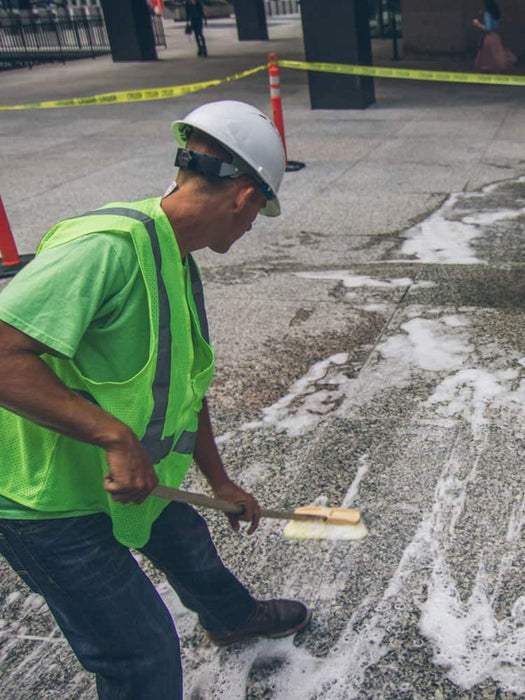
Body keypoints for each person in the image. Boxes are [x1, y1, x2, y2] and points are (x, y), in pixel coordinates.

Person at [0, 100, 310, 699]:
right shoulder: (108, 248)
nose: (250, 228)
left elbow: (186, 388)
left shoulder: (175, 258)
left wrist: (219, 482)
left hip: (132, 480)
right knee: (139, 654)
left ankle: (229, 619)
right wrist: (113, 437)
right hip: (47, 503)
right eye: (258, 213)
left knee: (188, 543)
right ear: (244, 198)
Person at [473, 0, 516, 72]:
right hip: (496, 37)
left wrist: (478, 24)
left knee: (488, 57)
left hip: (489, 37)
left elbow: (488, 28)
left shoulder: (488, 14)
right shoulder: (496, 14)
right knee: (497, 56)